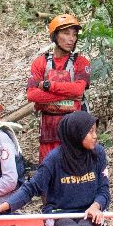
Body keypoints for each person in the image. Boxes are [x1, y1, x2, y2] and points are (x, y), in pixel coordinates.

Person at [0, 111, 109, 226]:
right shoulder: (54, 159)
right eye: (90, 132)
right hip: (59, 214)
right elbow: (30, 188)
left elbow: (104, 190)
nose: (95, 136)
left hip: (89, 213)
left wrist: (96, 206)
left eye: (95, 131)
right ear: (76, 134)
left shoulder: (98, 154)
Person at [25, 14, 91, 160]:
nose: (71, 38)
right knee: (48, 172)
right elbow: (31, 95)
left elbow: (79, 90)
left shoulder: (81, 62)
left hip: (74, 127)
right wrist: (69, 94)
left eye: (74, 34)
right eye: (66, 33)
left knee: (73, 173)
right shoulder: (40, 63)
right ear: (55, 36)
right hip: (48, 129)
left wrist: (48, 86)